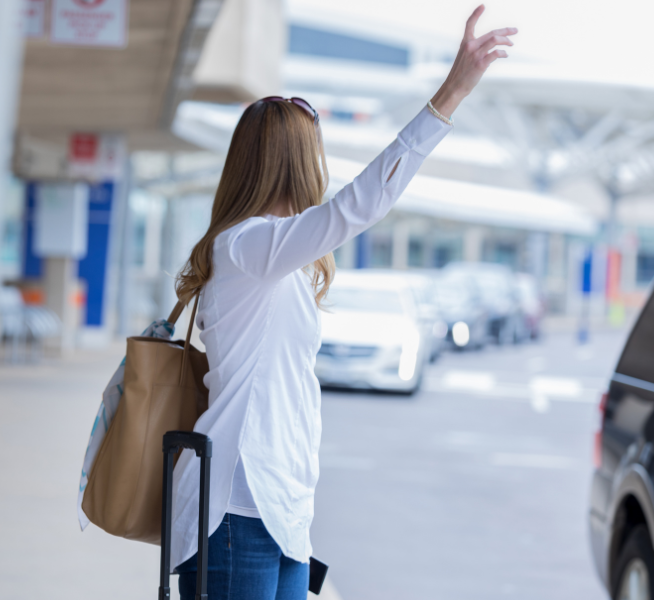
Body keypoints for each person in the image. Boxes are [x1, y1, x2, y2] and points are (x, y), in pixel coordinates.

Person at [167, 6, 517, 600]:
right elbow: (355, 207)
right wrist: (449, 96)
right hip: (236, 504)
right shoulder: (249, 245)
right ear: (297, 161)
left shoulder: (279, 259)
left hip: (284, 505)